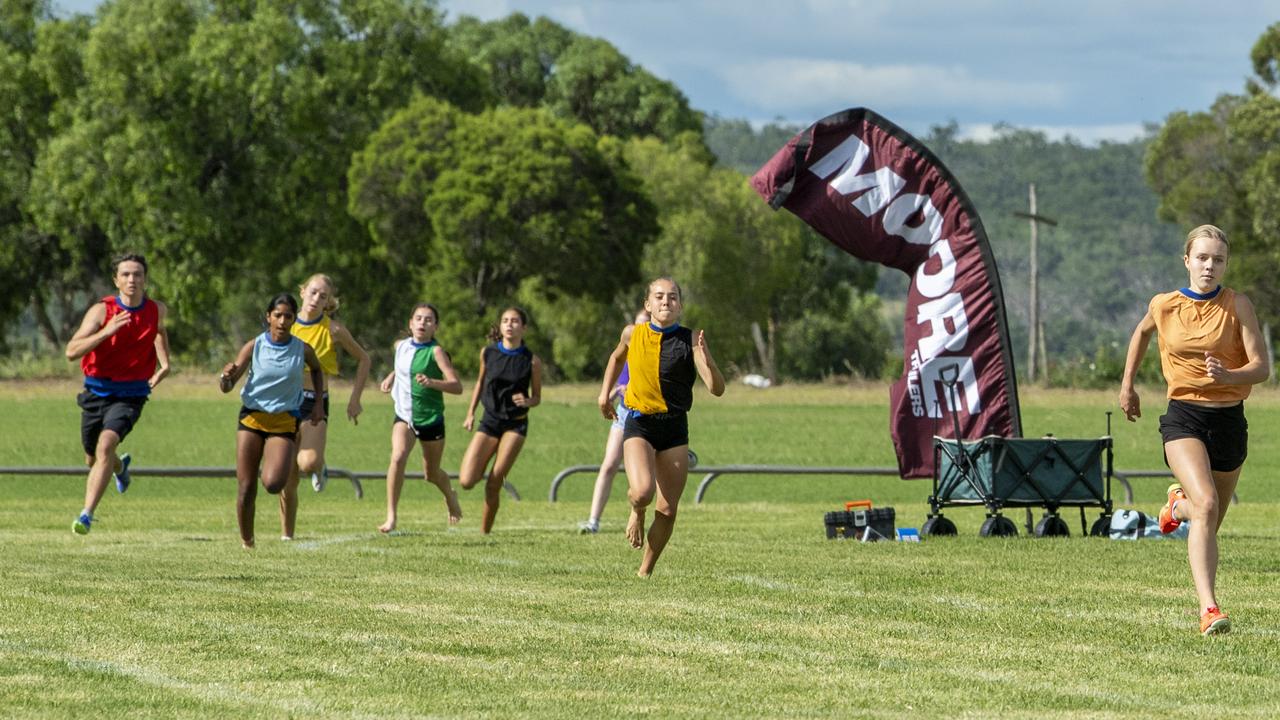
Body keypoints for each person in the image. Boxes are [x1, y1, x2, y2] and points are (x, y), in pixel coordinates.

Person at [1119, 224, 1269, 636]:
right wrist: (1127, 386)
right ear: (1187, 260)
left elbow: (1262, 368)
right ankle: (1209, 608)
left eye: (1217, 259)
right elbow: (1141, 332)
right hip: (1184, 417)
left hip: (1229, 421)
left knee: (1208, 515)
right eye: (1202, 258)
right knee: (1206, 506)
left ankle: (1174, 507)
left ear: (1225, 265)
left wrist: (1229, 373)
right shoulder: (1164, 304)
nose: (1209, 266)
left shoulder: (1238, 305)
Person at [598, 278, 725, 577]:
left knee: (668, 510)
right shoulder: (633, 333)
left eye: (672, 297)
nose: (665, 301)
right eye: (659, 296)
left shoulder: (692, 339)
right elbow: (616, 359)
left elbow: (716, 389)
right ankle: (637, 511)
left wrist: (707, 360)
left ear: (680, 305)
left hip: (674, 427)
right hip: (640, 423)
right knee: (642, 493)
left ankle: (645, 571)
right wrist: (604, 394)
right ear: (647, 304)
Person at [65, 253, 171, 535]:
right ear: (116, 280)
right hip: (96, 392)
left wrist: (165, 363)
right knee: (93, 458)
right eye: (125, 274)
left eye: (137, 274)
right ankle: (119, 469)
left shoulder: (157, 309)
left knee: (105, 446)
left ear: (145, 279)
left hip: (131, 394)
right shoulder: (102, 311)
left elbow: (158, 332)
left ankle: (86, 515)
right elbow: (71, 352)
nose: (132, 279)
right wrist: (107, 331)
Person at [219, 293, 325, 549]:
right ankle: (248, 542)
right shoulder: (254, 345)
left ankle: (277, 458)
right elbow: (228, 385)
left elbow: (318, 369)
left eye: (288, 316)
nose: (282, 320)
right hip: (252, 419)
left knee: (273, 483)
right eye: (277, 315)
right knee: (246, 488)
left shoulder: (302, 348)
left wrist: (319, 403)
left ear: (293, 319)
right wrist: (225, 377)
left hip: (283, 422)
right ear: (268, 317)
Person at [281, 273, 371, 540]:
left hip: (315, 401)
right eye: (313, 292)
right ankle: (287, 536)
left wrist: (355, 399)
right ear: (302, 292)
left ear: (329, 302)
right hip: (285, 401)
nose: (316, 298)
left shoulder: (334, 330)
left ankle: (320, 466)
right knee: (287, 475)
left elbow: (364, 359)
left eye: (323, 296)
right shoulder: (285, 323)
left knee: (306, 462)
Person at [378, 303, 464, 533]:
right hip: (404, 416)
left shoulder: (436, 352)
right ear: (410, 323)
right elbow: (404, 365)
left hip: (430, 418)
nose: (422, 323)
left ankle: (450, 495)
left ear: (435, 326)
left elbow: (457, 387)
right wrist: (392, 376)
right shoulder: (401, 346)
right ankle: (391, 517)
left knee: (432, 474)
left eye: (428, 320)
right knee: (397, 458)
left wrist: (433, 382)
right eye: (418, 318)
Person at [458, 307, 542, 534]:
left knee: (494, 482)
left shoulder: (532, 361)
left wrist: (527, 401)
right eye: (505, 320)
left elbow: (537, 398)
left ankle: (484, 533)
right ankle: (484, 462)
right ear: (501, 326)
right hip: (490, 421)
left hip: (516, 424)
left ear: (523, 328)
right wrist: (470, 413)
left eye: (515, 321)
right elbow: (479, 383)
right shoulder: (488, 353)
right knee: (466, 481)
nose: (509, 324)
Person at [579, 309, 651, 534]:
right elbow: (617, 381)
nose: (640, 330)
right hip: (624, 413)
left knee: (647, 472)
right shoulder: (628, 351)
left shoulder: (657, 352)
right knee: (609, 464)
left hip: (650, 415)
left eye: (645, 325)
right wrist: (609, 394)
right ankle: (593, 521)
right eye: (637, 325)